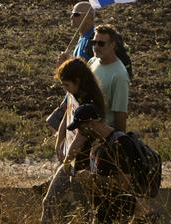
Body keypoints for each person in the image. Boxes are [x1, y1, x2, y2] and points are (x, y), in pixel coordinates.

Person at [41, 58, 108, 224]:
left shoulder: (90, 103)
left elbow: (81, 137)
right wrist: (60, 141)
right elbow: (67, 114)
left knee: (86, 212)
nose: (65, 89)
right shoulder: (74, 93)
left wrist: (66, 160)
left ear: (78, 81)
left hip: (83, 165)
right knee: (49, 202)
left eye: (66, 85)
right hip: (70, 160)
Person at [64, 103, 138, 224]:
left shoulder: (121, 143)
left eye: (81, 128)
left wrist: (92, 178)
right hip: (103, 214)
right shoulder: (99, 144)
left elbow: (124, 184)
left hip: (120, 215)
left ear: (92, 124)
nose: (80, 133)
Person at [87, 25, 129, 132]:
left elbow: (120, 115)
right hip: (87, 127)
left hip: (103, 134)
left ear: (113, 45)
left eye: (101, 44)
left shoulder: (120, 75)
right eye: (94, 42)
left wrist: (118, 143)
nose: (96, 47)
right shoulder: (92, 61)